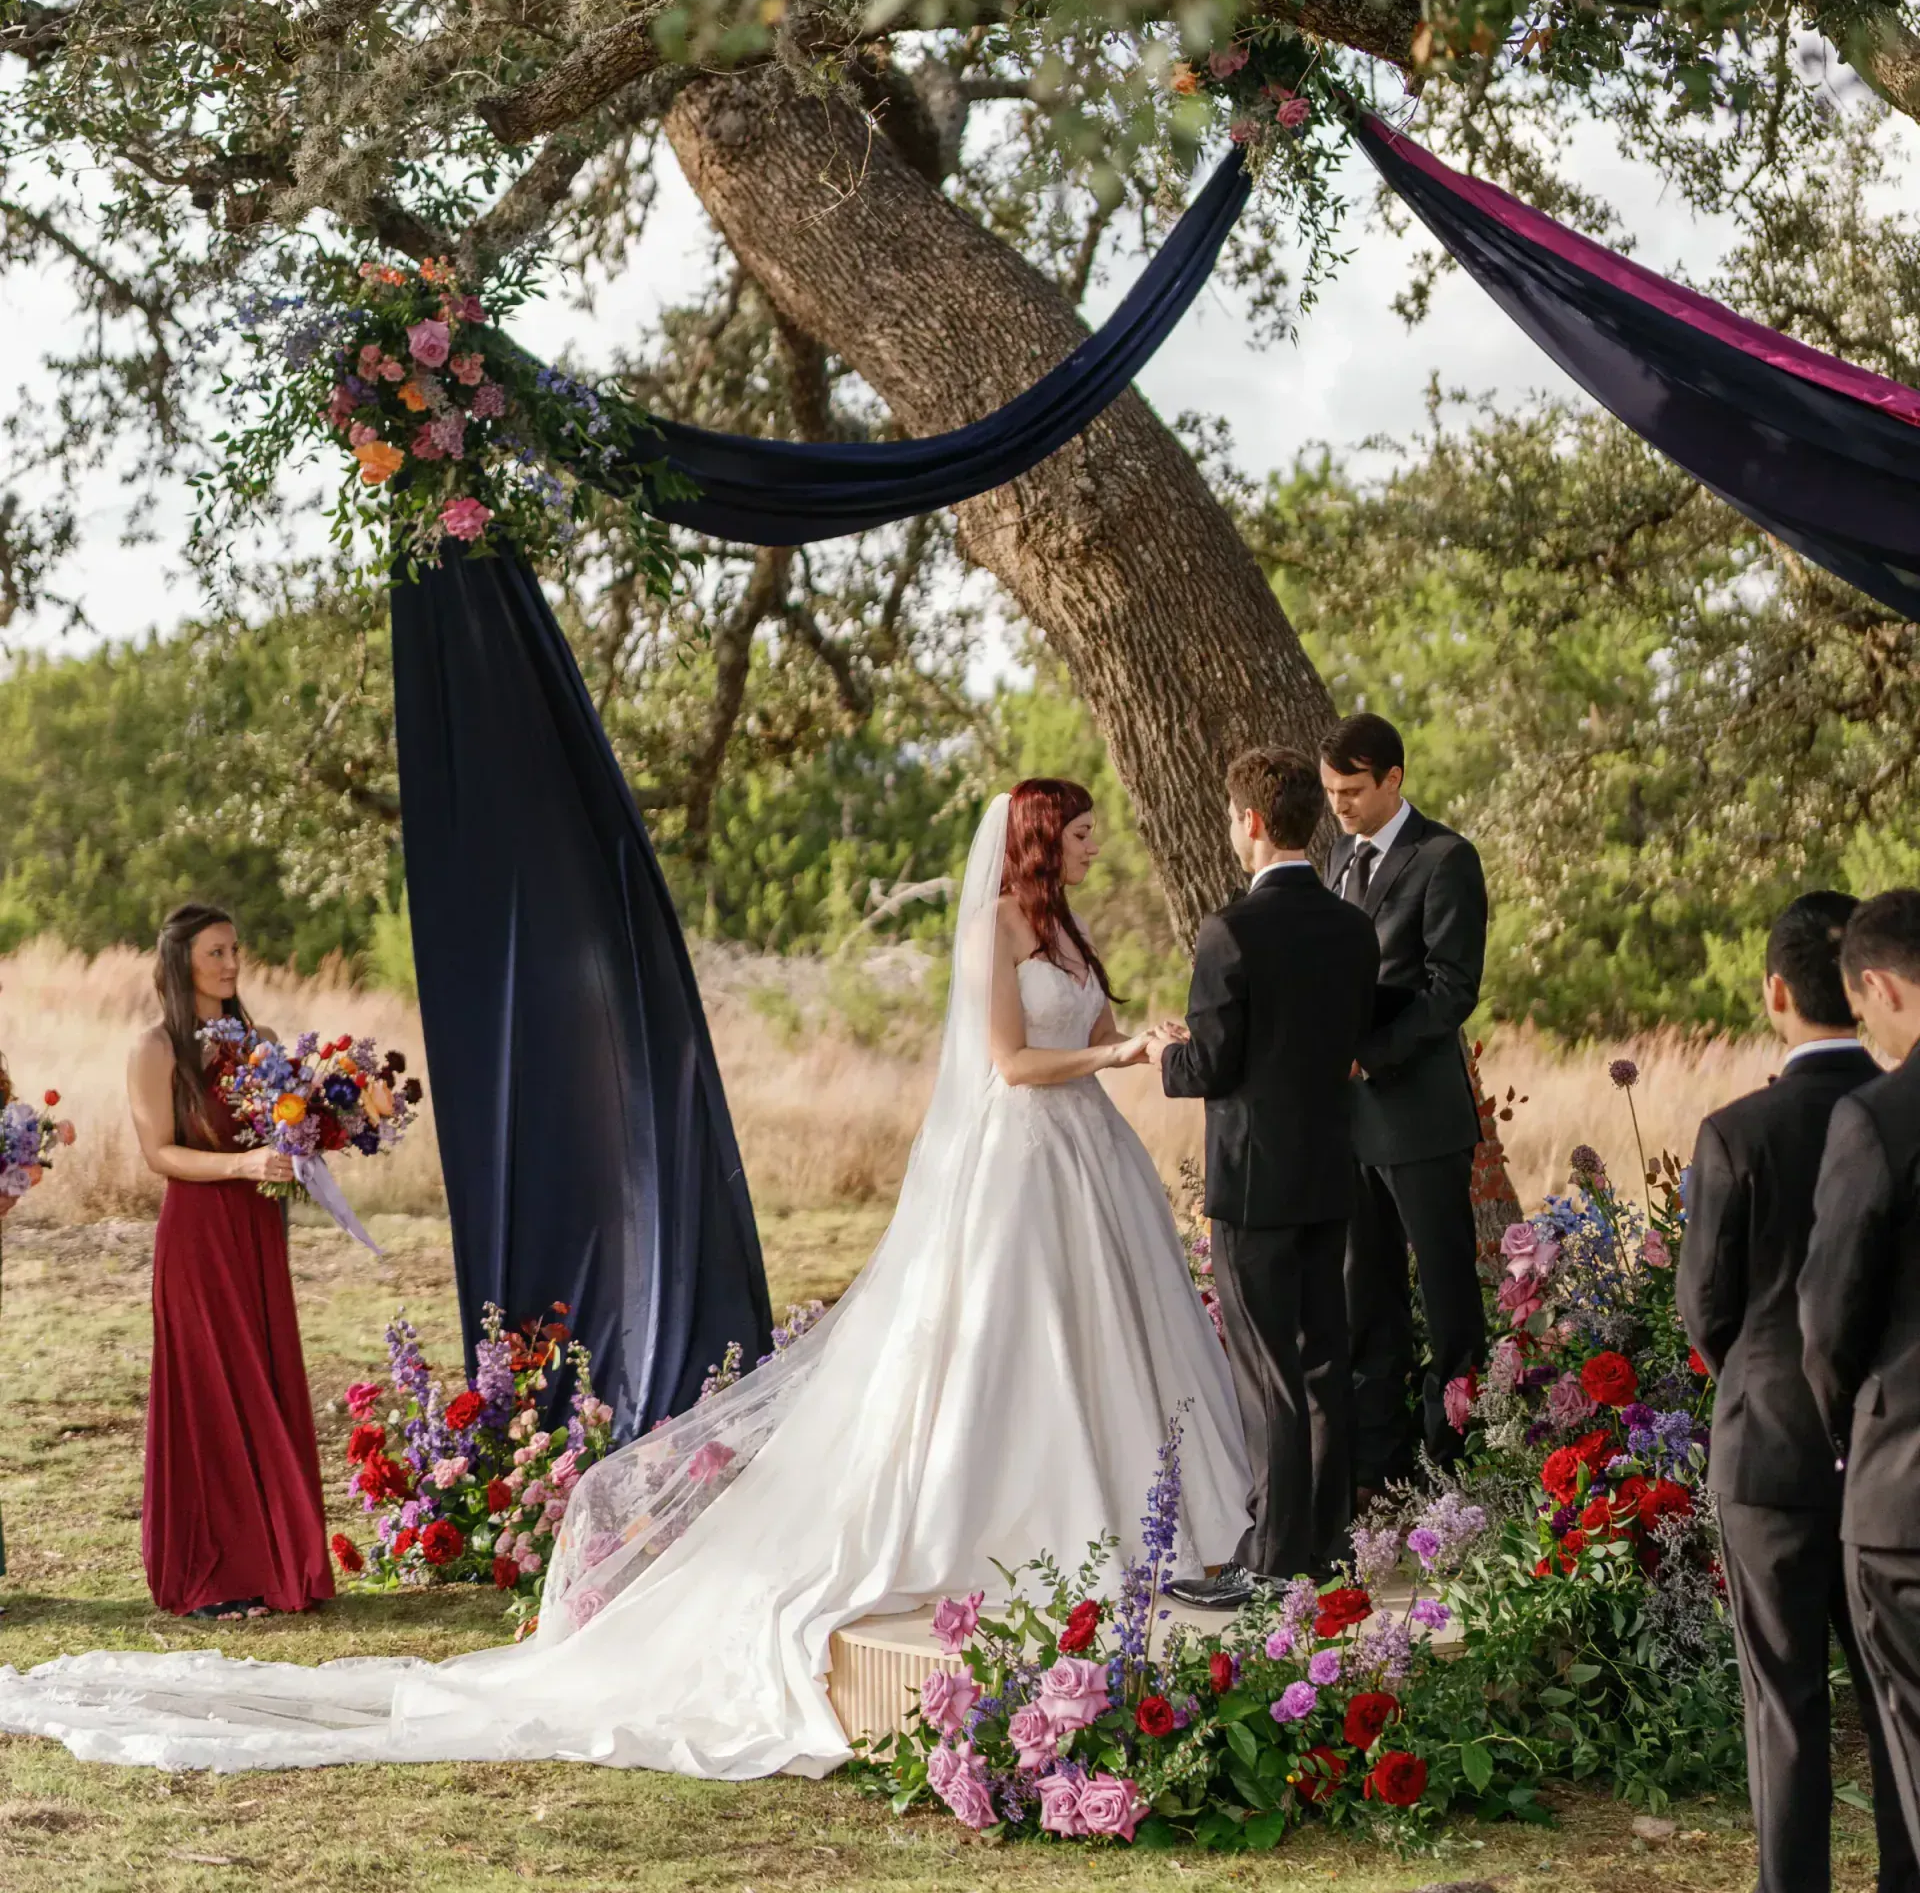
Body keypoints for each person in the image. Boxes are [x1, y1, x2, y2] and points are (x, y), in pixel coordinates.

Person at [0, 782, 1248, 1774]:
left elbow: (1080, 1038)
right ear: (1039, 839)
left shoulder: (1070, 931)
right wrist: (1107, 1053)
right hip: (1018, 1158)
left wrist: (1139, 1043)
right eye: (1080, 833)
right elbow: (1005, 1063)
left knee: (1097, 1338)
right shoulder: (157, 1044)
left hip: (1089, 1167)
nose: (1095, 848)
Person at [1667, 892, 1920, 1893]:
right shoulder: (1901, 1103)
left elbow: (1706, 1311)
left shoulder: (1737, 1131)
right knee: (1893, 1693)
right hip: (1884, 1444)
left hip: (1772, 1438)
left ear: (1776, 991)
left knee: (1784, 1688)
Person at [1151, 747, 1378, 1604]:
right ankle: (1327, 1549)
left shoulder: (1230, 932)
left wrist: (1166, 1051)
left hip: (1252, 1183)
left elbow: (1210, 1065)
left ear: (1250, 821)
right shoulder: (1355, 928)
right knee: (1324, 1362)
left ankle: (1273, 1560)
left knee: (1267, 1371)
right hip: (1331, 1173)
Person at [127, 903, 334, 1618]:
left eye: (235, 950)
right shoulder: (155, 1049)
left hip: (256, 1232)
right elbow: (158, 1153)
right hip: (197, 1234)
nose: (230, 963)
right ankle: (216, 1572)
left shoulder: (263, 1042)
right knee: (210, 1392)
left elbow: (293, 1130)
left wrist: (310, 1141)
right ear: (183, 961)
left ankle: (278, 1558)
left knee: (263, 1382)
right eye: (216, 951)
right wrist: (243, 1165)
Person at [1799, 889, 1920, 1893]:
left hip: (1907, 1485)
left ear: (1878, 988)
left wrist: (1841, 1428)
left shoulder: (1878, 1118)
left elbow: (1830, 1323)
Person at [1318, 711, 1488, 1492]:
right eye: (1329, 793)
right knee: (1368, 1305)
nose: (1340, 806)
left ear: (1395, 779)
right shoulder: (1335, 860)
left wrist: (1369, 1055)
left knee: (1451, 1306)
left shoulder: (1446, 859)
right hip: (1351, 1128)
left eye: (1353, 791)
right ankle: (1380, 1478)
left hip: (1419, 1117)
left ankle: (1460, 1474)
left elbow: (1452, 990)